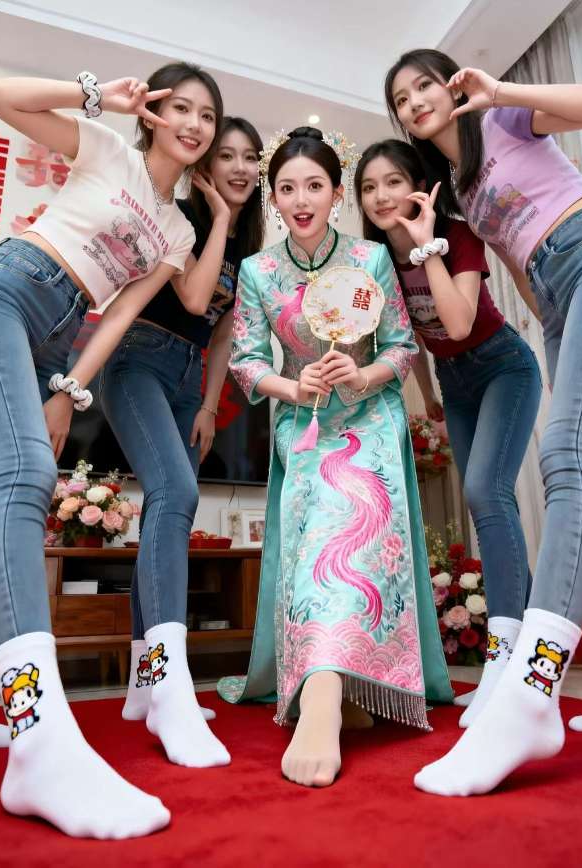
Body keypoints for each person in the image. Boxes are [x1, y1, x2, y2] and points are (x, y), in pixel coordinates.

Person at [0, 61, 228, 837]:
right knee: (24, 476)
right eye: (180, 107)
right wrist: (94, 95)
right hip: (13, 286)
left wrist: (70, 389)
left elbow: (122, 313)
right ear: (153, 111)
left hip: (60, 334)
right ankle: (38, 736)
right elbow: (1, 95)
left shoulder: (180, 230)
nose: (193, 124)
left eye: (207, 115)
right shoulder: (107, 149)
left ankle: (23, 717)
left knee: (10, 490)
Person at [384, 47, 582, 795]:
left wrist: (502, 91)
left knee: (569, 455)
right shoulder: (458, 186)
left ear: (451, 86)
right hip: (559, 294)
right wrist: (553, 334)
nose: (415, 102)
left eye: (424, 85)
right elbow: (516, 261)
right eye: (401, 98)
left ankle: (532, 694)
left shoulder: (502, 120)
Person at [217, 126, 453, 788]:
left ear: (335, 193)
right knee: (318, 544)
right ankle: (327, 686)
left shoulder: (370, 259)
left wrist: (364, 375)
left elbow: (401, 347)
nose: (301, 200)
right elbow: (245, 362)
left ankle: (336, 688)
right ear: (272, 197)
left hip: (370, 421)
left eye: (314, 186)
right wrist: (294, 387)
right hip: (303, 426)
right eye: (287, 188)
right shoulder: (259, 272)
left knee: (359, 536)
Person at [356, 139, 541, 727]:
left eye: (393, 181)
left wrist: (425, 245)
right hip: (454, 384)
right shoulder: (376, 262)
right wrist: (431, 398)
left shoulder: (456, 236)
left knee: (488, 493)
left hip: (504, 367)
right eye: (369, 187)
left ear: (420, 187)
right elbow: (408, 336)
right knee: (486, 501)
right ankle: (520, 656)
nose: (381, 196)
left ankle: (505, 662)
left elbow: (458, 322)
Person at [103, 117, 264, 759]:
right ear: (205, 167)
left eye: (250, 157)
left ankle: (143, 686)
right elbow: (194, 301)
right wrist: (220, 216)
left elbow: (221, 333)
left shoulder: (247, 248)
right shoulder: (184, 217)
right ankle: (169, 681)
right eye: (227, 155)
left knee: (162, 512)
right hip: (137, 358)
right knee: (176, 494)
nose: (240, 167)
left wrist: (208, 404)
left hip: (186, 377)